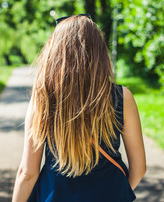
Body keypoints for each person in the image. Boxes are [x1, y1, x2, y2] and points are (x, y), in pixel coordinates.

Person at [12, 14, 146, 202]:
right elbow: (139, 168)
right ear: (99, 52)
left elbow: (27, 173)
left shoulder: (43, 97)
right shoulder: (122, 97)